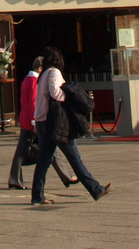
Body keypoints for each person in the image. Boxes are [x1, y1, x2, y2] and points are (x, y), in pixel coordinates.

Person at [30, 46, 109, 206]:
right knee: (75, 157)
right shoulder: (54, 73)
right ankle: (95, 188)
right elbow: (56, 93)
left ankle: (37, 195)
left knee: (44, 161)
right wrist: (70, 94)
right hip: (54, 122)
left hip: (42, 121)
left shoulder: (43, 75)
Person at [8, 55, 74, 191]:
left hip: (25, 119)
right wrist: (35, 122)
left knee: (22, 152)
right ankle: (66, 175)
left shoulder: (27, 79)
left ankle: (15, 179)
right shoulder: (33, 81)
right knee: (49, 149)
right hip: (31, 121)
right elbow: (34, 104)